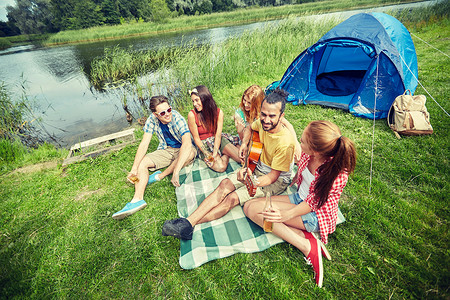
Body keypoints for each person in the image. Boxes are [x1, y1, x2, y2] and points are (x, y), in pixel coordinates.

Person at [161, 89, 296, 240]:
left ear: (281, 116)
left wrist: (251, 181)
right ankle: (187, 224)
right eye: (263, 114)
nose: (266, 120)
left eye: (272, 116)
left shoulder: (285, 143)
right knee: (224, 184)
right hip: (257, 166)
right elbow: (250, 128)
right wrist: (244, 143)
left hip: (274, 181)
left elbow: (272, 177)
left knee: (232, 198)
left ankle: (188, 225)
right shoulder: (262, 123)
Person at [243, 120, 357, 287]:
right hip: (298, 198)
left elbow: (313, 203)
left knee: (257, 213)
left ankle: (306, 246)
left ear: (316, 151)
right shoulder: (310, 153)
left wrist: (284, 215)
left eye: (302, 141)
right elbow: (294, 138)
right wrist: (283, 121)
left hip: (315, 214)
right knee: (249, 206)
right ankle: (306, 236)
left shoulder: (336, 174)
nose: (299, 143)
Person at [112, 95, 197, 220]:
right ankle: (137, 200)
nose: (168, 114)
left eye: (169, 110)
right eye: (163, 113)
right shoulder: (152, 119)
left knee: (188, 154)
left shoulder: (177, 118)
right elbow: (144, 143)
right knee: (143, 162)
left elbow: (187, 143)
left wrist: (176, 171)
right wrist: (134, 168)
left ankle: (160, 175)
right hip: (167, 150)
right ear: (156, 114)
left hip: (185, 148)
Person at [235, 85, 301, 161]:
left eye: (249, 103)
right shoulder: (241, 113)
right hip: (251, 143)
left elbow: (288, 125)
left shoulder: (266, 111)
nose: (246, 104)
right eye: (244, 100)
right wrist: (241, 134)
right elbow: (247, 131)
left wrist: (296, 143)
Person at [188, 85, 240, 172]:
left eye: (197, 100)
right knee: (220, 167)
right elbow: (196, 139)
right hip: (203, 144)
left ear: (204, 98)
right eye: (193, 101)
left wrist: (215, 152)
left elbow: (218, 134)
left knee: (239, 158)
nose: (194, 104)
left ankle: (225, 153)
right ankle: (226, 154)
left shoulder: (218, 112)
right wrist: (207, 154)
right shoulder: (192, 115)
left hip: (217, 139)